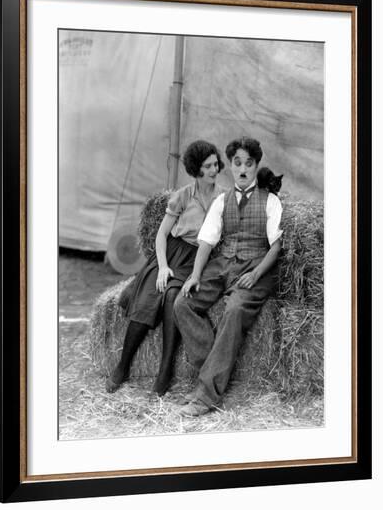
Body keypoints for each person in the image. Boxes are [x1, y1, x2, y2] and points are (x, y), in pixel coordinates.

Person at [105, 140, 225, 396]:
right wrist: (162, 267)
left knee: (173, 296)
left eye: (216, 164)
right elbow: (161, 236)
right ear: (196, 169)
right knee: (148, 296)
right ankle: (123, 366)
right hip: (172, 252)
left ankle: (165, 371)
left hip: (198, 258)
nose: (214, 170)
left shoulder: (223, 198)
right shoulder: (182, 196)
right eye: (208, 166)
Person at [173, 137, 283, 416]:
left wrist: (256, 274)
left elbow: (277, 245)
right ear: (231, 167)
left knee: (233, 311)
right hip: (223, 265)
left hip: (257, 267)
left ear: (256, 166)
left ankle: (206, 395)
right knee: (182, 303)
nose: (243, 169)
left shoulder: (270, 201)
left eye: (249, 163)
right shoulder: (221, 201)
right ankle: (210, 373)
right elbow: (207, 242)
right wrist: (195, 276)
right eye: (237, 163)